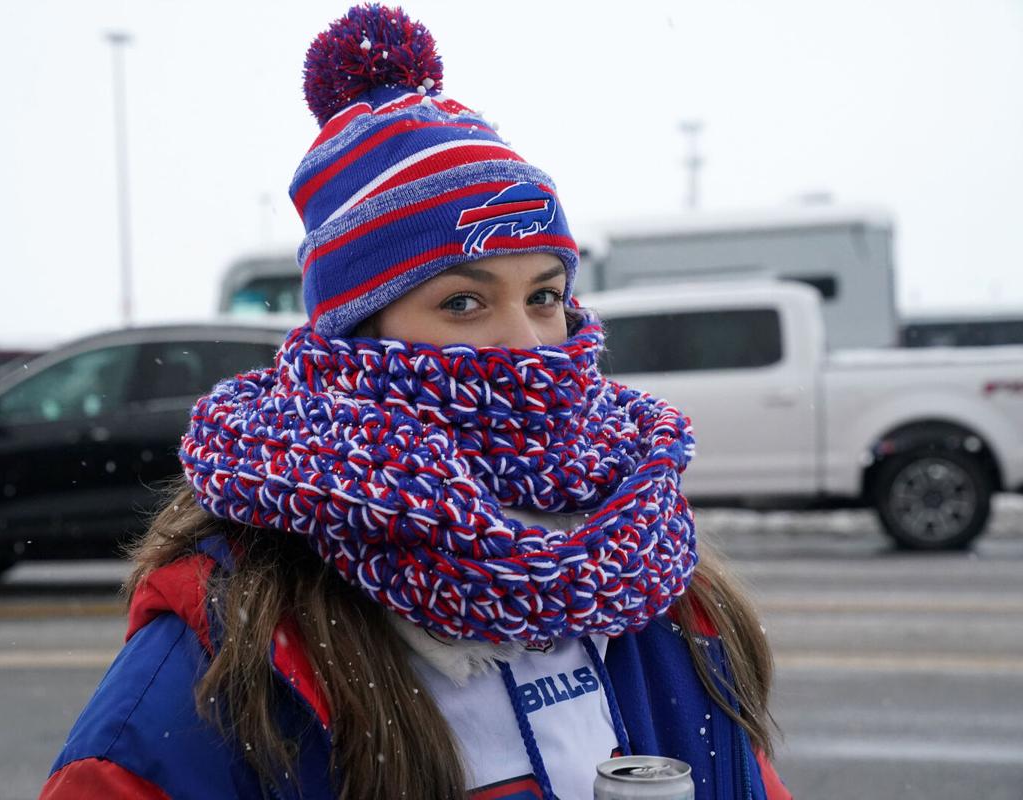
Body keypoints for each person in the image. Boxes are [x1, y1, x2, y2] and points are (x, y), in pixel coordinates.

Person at [41, 5, 791, 799]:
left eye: (544, 295)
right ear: (359, 332)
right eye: (464, 303)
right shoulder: (239, 642)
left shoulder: (646, 563)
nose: (527, 343)